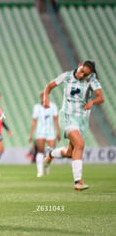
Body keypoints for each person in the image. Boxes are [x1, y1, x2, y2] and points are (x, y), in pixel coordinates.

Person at [43, 60, 104, 191]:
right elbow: (49, 86)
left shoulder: (91, 79)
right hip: (67, 117)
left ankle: (51, 153)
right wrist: (45, 99)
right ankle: (78, 182)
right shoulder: (66, 76)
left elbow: (101, 97)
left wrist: (92, 102)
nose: (82, 75)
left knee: (71, 152)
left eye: (85, 74)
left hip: (81, 120)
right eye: (82, 71)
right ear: (79, 65)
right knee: (80, 144)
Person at [28, 91, 60, 177]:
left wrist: (58, 132)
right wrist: (31, 134)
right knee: (40, 151)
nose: (44, 98)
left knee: (51, 151)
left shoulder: (53, 106)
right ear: (40, 98)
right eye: (42, 96)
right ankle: (40, 171)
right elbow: (34, 121)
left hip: (51, 132)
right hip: (40, 132)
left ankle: (47, 166)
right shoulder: (37, 107)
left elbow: (56, 120)